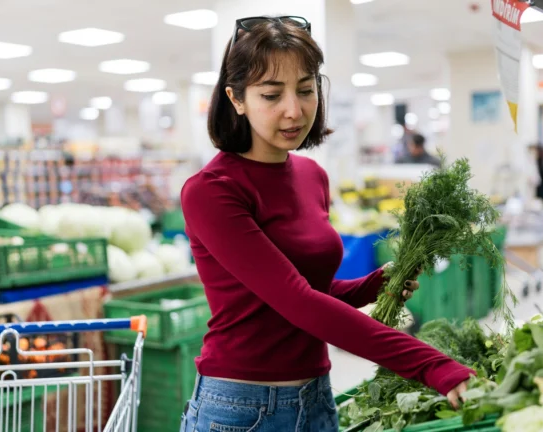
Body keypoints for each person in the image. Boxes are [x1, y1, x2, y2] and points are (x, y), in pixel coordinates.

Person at [179, 16, 472, 432]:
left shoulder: (311, 176)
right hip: (240, 407)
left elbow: (309, 289)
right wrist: (431, 365)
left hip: (315, 396)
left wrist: (373, 285)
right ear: (236, 98)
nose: (294, 110)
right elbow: (297, 301)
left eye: (305, 89)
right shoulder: (211, 190)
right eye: (271, 94)